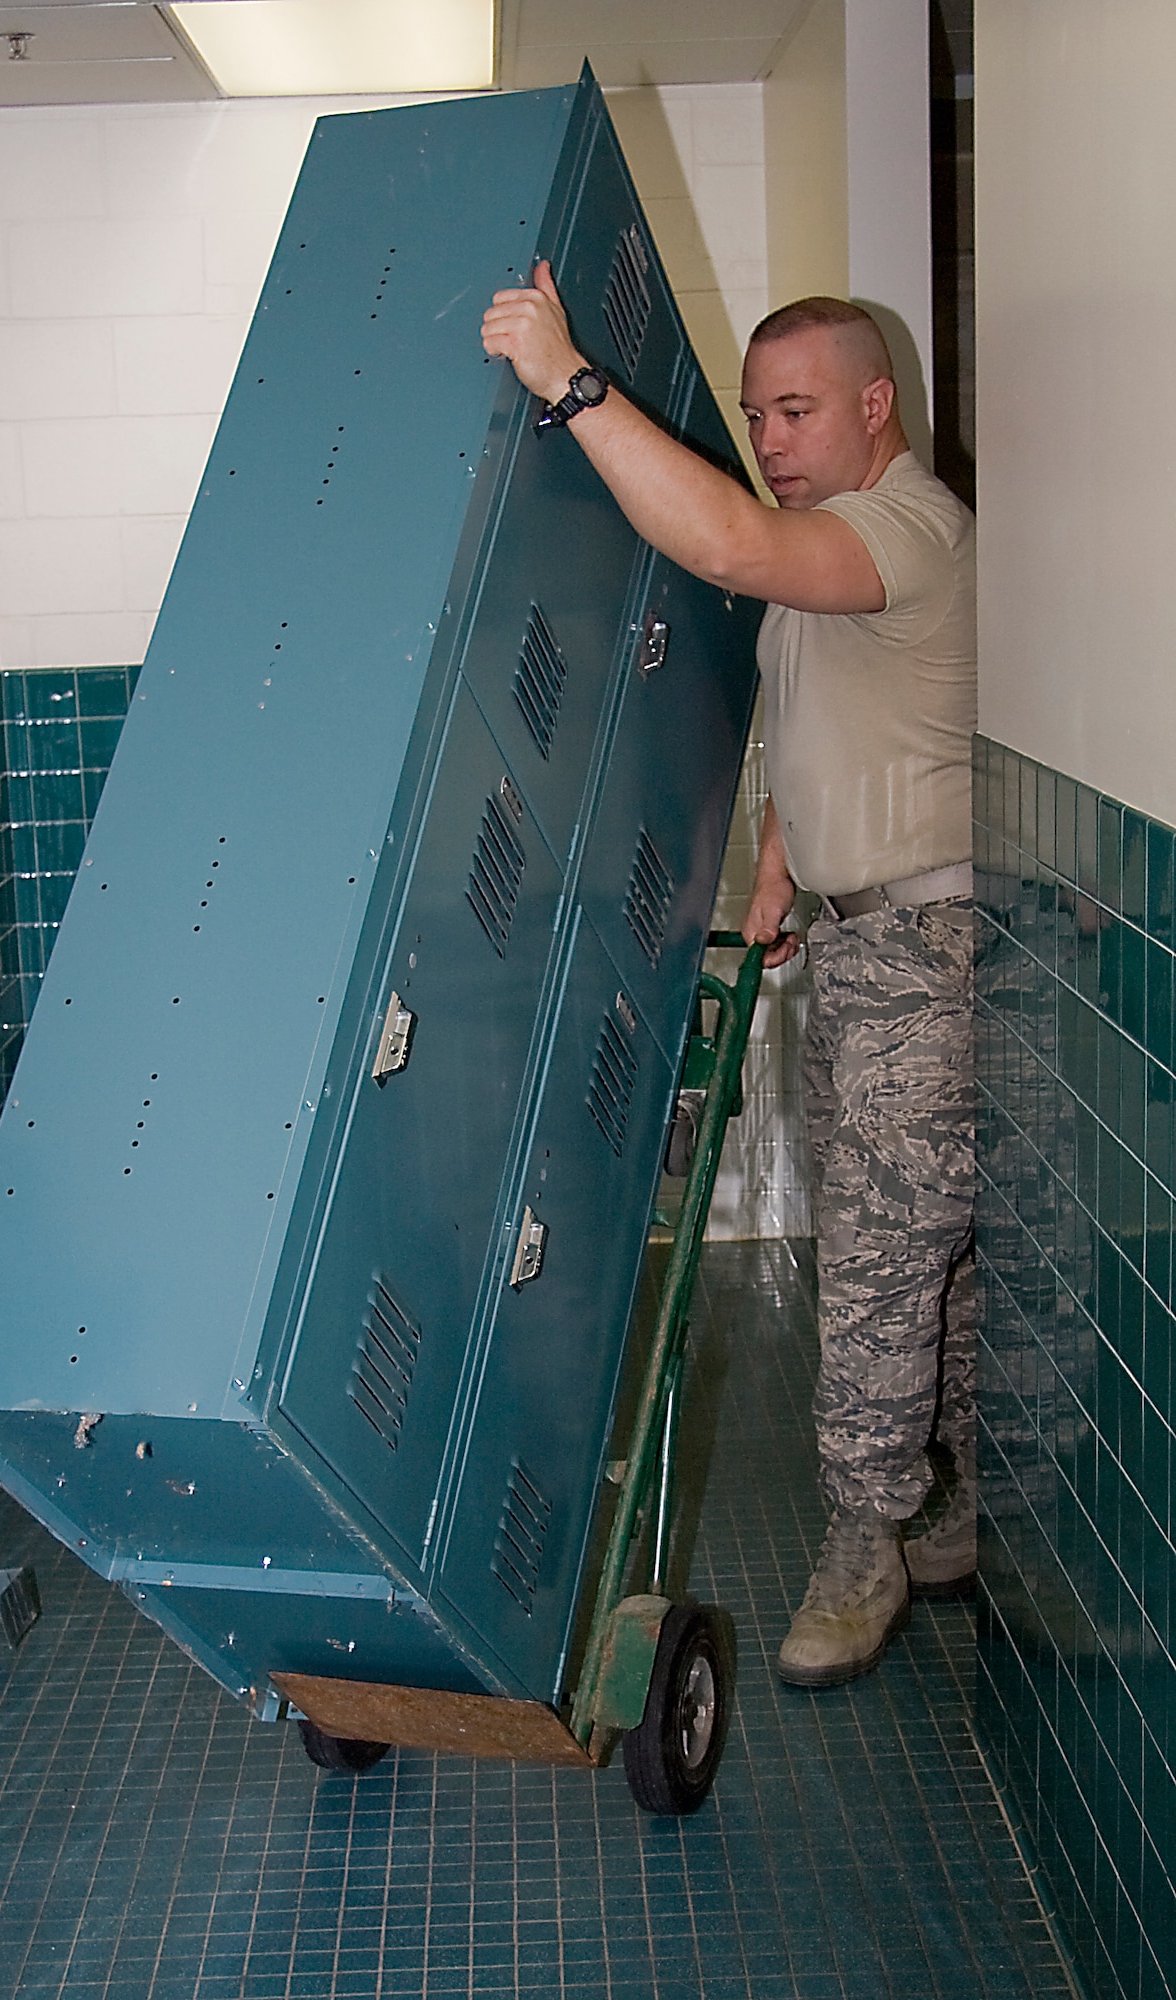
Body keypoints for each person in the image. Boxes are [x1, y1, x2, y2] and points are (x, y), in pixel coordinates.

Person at [481, 267, 976, 1689]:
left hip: (928, 954)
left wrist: (573, 384)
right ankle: (939, 1500)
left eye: (796, 409)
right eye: (757, 414)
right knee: (901, 1243)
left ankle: (863, 1540)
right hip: (862, 933)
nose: (769, 437)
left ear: (876, 407)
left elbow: (736, 553)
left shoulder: (904, 531)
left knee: (880, 1264)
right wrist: (776, 862)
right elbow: (821, 707)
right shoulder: (832, 539)